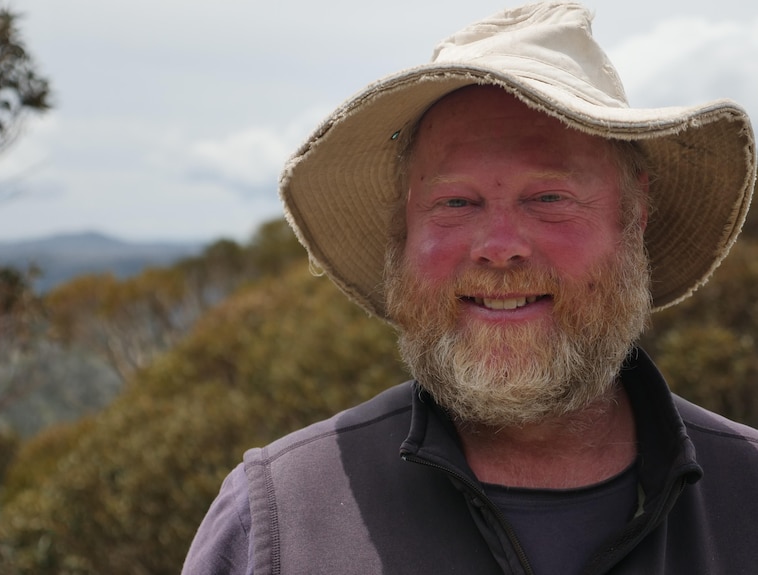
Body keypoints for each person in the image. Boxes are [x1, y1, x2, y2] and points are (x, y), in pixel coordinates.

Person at [182, 2, 758, 574]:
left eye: (549, 198)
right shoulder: (277, 524)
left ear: (635, 216)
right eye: (456, 202)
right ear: (405, 229)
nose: (500, 245)